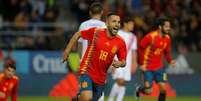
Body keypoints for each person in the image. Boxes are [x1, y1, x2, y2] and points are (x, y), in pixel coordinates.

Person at [63, 12, 127, 101]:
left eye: (119, 22)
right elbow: (78, 35)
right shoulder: (96, 32)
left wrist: (120, 63)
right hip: (87, 70)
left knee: (90, 99)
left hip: (101, 78)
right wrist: (67, 51)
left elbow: (124, 62)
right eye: (114, 21)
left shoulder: (121, 42)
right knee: (86, 97)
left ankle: (76, 99)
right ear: (107, 23)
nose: (117, 24)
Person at [136, 17, 176, 101]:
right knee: (148, 91)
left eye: (169, 26)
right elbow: (140, 48)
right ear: (160, 27)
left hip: (160, 68)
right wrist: (141, 63)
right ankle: (139, 89)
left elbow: (167, 53)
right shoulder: (150, 36)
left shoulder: (168, 38)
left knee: (163, 89)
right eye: (166, 26)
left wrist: (170, 61)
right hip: (147, 68)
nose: (168, 28)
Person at [78, 2, 106, 101]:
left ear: (90, 12)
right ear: (102, 12)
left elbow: (80, 44)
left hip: (85, 64)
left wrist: (80, 59)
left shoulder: (83, 25)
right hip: (99, 64)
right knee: (99, 94)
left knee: (85, 93)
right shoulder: (104, 26)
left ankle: (78, 97)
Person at [108, 17, 137, 101]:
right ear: (125, 24)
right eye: (131, 24)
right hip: (117, 61)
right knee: (120, 81)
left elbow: (133, 51)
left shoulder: (133, 37)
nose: (132, 26)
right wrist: (112, 62)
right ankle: (110, 99)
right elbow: (112, 48)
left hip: (127, 63)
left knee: (123, 83)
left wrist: (134, 63)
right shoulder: (118, 34)